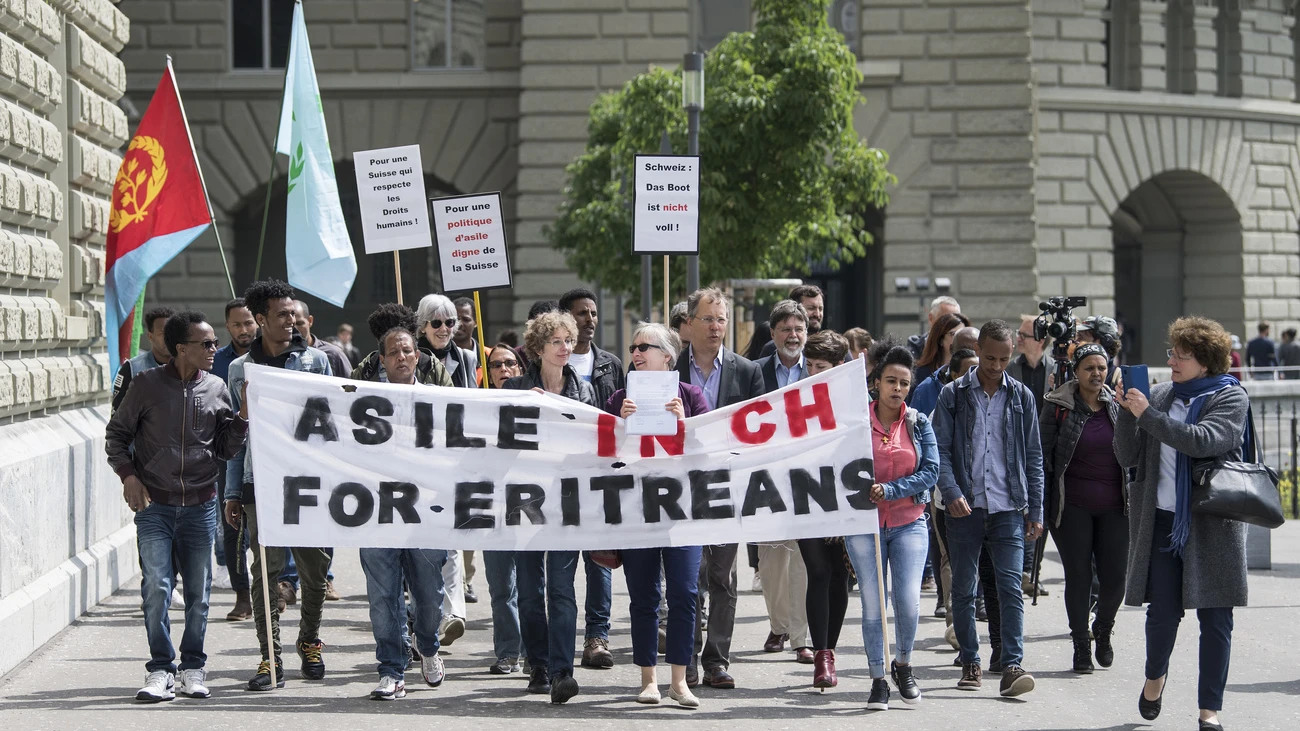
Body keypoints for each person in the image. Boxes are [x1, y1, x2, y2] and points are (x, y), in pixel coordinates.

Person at [106, 310, 248, 702]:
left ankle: (192, 668)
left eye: (214, 343)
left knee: (200, 594)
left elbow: (224, 449)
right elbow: (116, 435)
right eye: (205, 344)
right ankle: (160, 670)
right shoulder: (147, 385)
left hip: (201, 506)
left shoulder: (218, 387)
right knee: (157, 588)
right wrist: (129, 477)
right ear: (180, 349)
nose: (213, 349)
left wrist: (242, 420)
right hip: (155, 506)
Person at [1115, 317, 1249, 731]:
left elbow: (1202, 440)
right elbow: (1126, 457)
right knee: (1162, 612)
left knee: (1216, 619)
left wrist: (1147, 415)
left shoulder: (1230, 398)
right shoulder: (1157, 395)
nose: (1171, 360)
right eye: (1171, 352)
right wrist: (1126, 412)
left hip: (1213, 523)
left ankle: (1210, 710)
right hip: (1162, 521)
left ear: (1205, 362)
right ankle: (1155, 676)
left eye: (1181, 355)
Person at [224, 279, 334, 691]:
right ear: (261, 319)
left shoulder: (315, 363)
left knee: (314, 569)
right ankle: (270, 657)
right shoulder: (241, 370)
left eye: (294, 314)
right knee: (265, 573)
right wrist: (233, 492)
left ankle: (309, 639)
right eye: (283, 315)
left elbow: (331, 426)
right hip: (261, 485)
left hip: (308, 483)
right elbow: (238, 437)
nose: (292, 321)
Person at [933, 319, 1044, 698]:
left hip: (1008, 507)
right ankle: (970, 661)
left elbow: (1033, 457)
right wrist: (950, 491)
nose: (997, 366)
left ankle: (1012, 664)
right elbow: (940, 451)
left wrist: (1036, 510)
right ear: (977, 351)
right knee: (964, 589)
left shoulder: (1021, 397)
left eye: (1005, 359)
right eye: (991, 358)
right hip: (964, 509)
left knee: (1011, 588)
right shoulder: (952, 395)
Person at [604, 323, 707, 708]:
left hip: (683, 513)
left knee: (684, 594)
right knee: (644, 597)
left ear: (667, 355)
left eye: (643, 346)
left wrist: (687, 425)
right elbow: (602, 458)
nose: (635, 352)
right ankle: (648, 679)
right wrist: (620, 426)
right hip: (637, 511)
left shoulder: (692, 397)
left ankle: (679, 681)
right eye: (632, 346)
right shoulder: (618, 399)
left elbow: (712, 451)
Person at [502, 309, 597, 704]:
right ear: (538, 348)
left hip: (567, 502)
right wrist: (526, 407)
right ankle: (537, 664)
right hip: (524, 502)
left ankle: (562, 672)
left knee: (561, 589)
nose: (564, 348)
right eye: (556, 341)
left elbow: (596, 444)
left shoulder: (585, 392)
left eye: (568, 341)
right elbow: (497, 445)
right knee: (527, 589)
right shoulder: (517, 390)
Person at [355, 327, 452, 699]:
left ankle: (427, 645)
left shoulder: (439, 401)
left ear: (418, 357)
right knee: (383, 596)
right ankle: (391, 669)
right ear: (381, 359)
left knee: (429, 596)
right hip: (376, 513)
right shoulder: (361, 401)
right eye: (393, 352)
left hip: (426, 514)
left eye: (407, 351)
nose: (401, 357)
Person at [677, 287, 766, 689]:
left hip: (730, 487)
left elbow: (762, 432)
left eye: (721, 319)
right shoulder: (668, 371)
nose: (715, 327)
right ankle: (687, 658)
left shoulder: (748, 373)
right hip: (681, 488)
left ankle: (716, 659)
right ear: (689, 325)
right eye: (708, 319)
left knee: (723, 577)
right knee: (688, 577)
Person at [842, 341, 939, 710]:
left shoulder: (919, 422)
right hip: (865, 526)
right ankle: (878, 678)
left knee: (909, 602)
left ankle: (904, 664)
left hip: (910, 522)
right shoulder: (855, 422)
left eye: (903, 383)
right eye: (890, 381)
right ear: (877, 384)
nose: (897, 389)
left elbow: (931, 472)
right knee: (872, 605)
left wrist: (892, 489)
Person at [1041, 344, 1127, 674]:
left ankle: (1103, 629)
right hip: (1071, 506)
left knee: (1115, 579)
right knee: (1078, 577)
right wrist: (1039, 506)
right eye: (1089, 367)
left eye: (1101, 368)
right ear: (1076, 371)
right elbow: (1042, 458)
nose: (1096, 374)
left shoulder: (1117, 405)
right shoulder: (1057, 405)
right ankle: (1080, 645)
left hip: (1115, 507)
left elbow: (1134, 449)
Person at [558, 288, 624, 668]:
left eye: (594, 313)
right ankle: (561, 637)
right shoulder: (550, 361)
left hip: (601, 476)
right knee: (563, 562)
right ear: (566, 318)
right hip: (561, 477)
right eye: (582, 313)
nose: (590, 320)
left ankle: (597, 638)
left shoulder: (610, 365)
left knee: (601, 561)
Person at [790, 331, 854, 690]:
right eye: (809, 365)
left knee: (838, 573)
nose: (813, 372)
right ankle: (821, 655)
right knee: (817, 570)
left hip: (844, 497)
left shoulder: (854, 401)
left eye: (821, 367)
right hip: (805, 496)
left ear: (838, 367)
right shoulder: (794, 398)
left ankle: (831, 647)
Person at [754, 300, 813, 664]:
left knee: (803, 559)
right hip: (767, 477)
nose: (793, 336)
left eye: (799, 329)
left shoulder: (821, 372)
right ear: (773, 333)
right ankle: (779, 625)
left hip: (809, 477)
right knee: (772, 560)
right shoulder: (755, 371)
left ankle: (800, 637)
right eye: (786, 329)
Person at [415, 293, 476, 647]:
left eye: (450, 322)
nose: (444, 329)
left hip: (453, 460)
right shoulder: (410, 357)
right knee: (423, 545)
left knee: (452, 542)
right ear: (422, 325)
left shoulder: (466, 360)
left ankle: (452, 615)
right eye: (436, 322)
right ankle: (425, 614)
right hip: (419, 463)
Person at [212, 299, 257, 622]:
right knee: (234, 528)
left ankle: (281, 585)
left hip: (267, 456)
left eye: (249, 323)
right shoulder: (221, 363)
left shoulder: (273, 358)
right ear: (227, 326)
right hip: (227, 453)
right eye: (237, 324)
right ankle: (242, 594)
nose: (244, 330)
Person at [111, 305, 175, 411]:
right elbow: (117, 416)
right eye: (162, 333)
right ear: (150, 336)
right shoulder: (132, 369)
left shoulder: (189, 367)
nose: (168, 338)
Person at [909, 327, 979, 416]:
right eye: (964, 350)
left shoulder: (995, 387)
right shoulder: (926, 389)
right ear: (951, 349)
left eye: (976, 350)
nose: (971, 355)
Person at [758, 284, 825, 357]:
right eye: (811, 308)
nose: (817, 314)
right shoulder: (773, 349)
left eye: (820, 309)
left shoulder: (827, 347)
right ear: (796, 309)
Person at [292, 300, 351, 381]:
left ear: (310, 321)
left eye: (300, 323)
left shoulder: (333, 353)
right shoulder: (279, 355)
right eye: (290, 325)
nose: (295, 329)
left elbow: (351, 387)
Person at [1008, 315, 1056, 415]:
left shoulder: (1055, 369)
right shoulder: (1009, 368)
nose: (1018, 339)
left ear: (1040, 341)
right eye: (1019, 333)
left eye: (1024, 335)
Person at [912, 311, 971, 391]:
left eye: (963, 333)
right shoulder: (920, 374)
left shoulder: (975, 371)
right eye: (953, 334)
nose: (959, 338)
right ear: (940, 339)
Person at [1077, 315, 1123, 390]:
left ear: (1100, 342)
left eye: (1082, 338)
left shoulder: (1119, 382)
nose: (1077, 342)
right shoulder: (1070, 372)